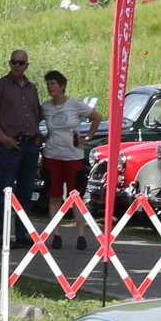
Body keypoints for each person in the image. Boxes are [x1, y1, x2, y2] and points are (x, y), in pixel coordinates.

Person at [0, 49, 43, 248]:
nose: (17, 65)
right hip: (9, 145)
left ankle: (22, 233)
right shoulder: (0, 86)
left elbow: (36, 114)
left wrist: (37, 136)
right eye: (14, 62)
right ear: (9, 63)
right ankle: (1, 234)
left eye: (21, 63)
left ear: (27, 66)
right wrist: (2, 137)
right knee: (5, 191)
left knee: (26, 192)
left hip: (30, 145)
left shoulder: (32, 88)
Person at [39, 69, 102, 252]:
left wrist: (88, 137)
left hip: (73, 156)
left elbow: (96, 117)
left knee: (76, 197)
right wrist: (40, 137)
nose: (50, 87)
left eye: (53, 84)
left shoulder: (74, 104)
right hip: (52, 156)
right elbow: (33, 121)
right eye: (48, 84)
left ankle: (81, 235)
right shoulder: (45, 107)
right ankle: (56, 234)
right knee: (54, 196)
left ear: (62, 86)